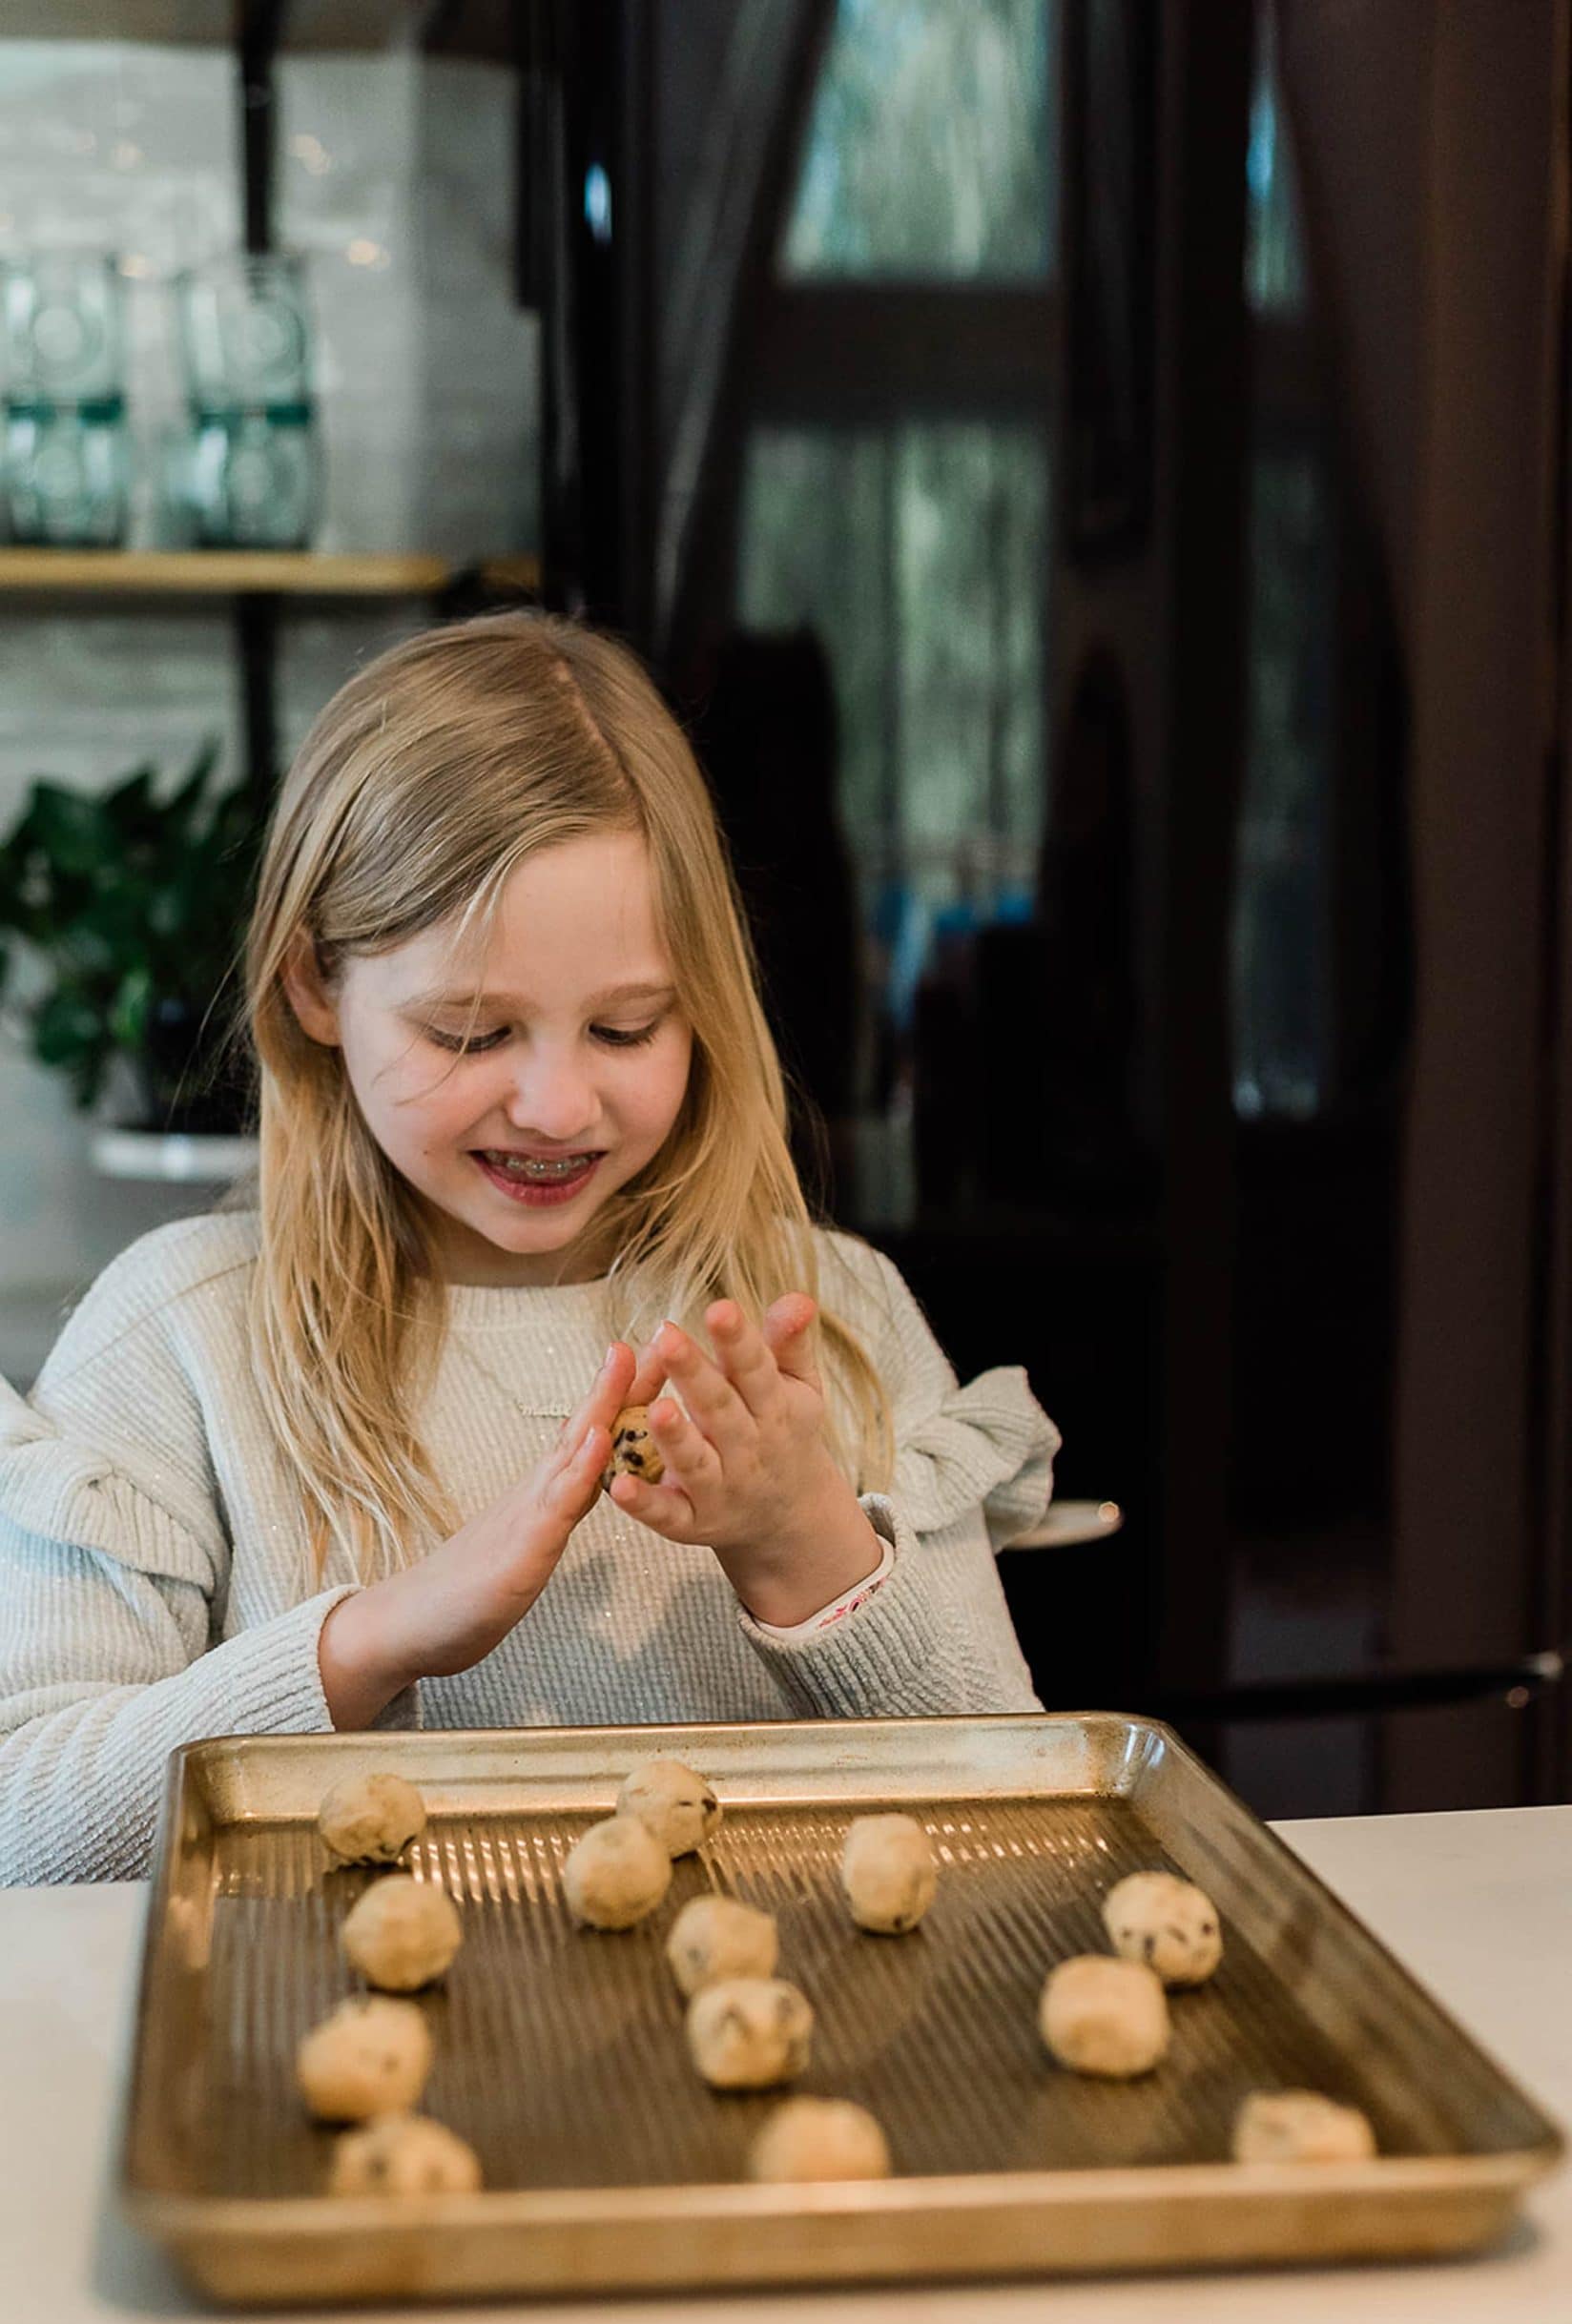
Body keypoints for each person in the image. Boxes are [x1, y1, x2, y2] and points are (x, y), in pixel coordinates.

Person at [0, 612, 1058, 1884]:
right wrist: (373, 1640)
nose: (558, 1106)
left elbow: (1020, 1822)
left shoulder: (828, 1318)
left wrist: (805, 1547)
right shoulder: (179, 1336)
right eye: (471, 1033)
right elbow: (29, 1836)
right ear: (315, 987)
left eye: (626, 1028)